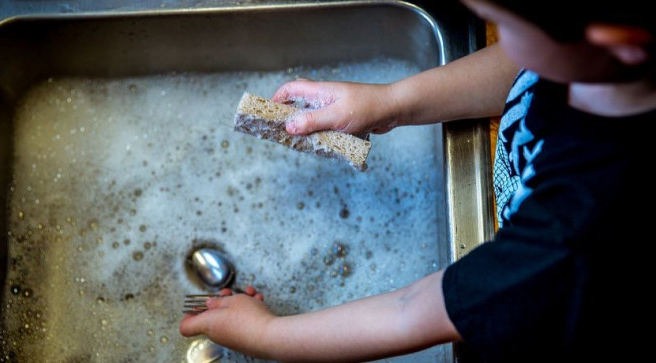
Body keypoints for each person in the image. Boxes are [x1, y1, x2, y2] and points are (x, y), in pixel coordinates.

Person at [180, 0, 656, 361]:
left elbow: (414, 310)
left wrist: (266, 336)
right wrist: (390, 103)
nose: (502, 41)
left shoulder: (576, 235)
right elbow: (523, 68)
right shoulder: (599, 65)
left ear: (620, 39)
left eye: (508, 25)